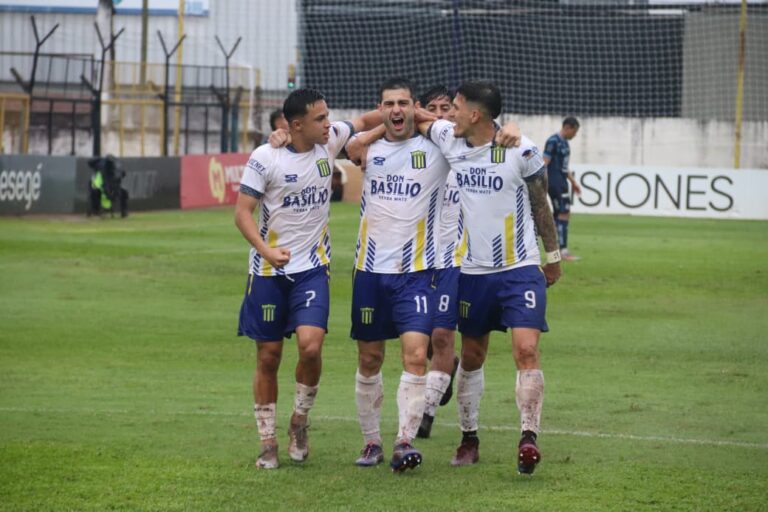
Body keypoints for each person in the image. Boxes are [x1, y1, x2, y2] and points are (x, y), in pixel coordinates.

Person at [419, 81, 561, 475]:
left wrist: (551, 258)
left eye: (457, 107)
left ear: (475, 115)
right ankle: (469, 438)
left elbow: (541, 205)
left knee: (526, 350)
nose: (449, 114)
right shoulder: (450, 138)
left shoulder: (522, 151)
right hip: (473, 272)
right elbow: (414, 116)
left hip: (519, 269)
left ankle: (528, 438)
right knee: (474, 356)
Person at [235, 88, 381, 470]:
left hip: (312, 269)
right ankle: (267, 440)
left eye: (328, 116)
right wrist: (266, 251)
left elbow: (365, 122)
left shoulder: (328, 143)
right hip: (268, 271)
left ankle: (300, 419)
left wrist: (408, 112)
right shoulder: (264, 158)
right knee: (268, 356)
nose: (328, 123)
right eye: (319, 118)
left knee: (311, 347)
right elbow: (243, 214)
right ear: (295, 125)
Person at [349, 78, 451, 472]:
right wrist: (381, 125)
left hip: (416, 274)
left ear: (415, 107)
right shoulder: (367, 149)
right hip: (370, 273)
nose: (396, 109)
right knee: (370, 358)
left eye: (403, 103)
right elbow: (349, 143)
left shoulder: (436, 149)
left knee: (414, 357)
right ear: (380, 107)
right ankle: (371, 441)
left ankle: (403, 441)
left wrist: (418, 118)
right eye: (389, 104)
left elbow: (461, 134)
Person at [415, 85, 461, 440]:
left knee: (443, 335)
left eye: (447, 107)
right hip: (415, 258)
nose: (440, 114)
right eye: (432, 108)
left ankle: (425, 415)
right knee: (422, 341)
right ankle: (445, 372)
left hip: (456, 258)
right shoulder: (410, 148)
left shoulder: (468, 147)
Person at [544, 117, 581, 261]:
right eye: (575, 132)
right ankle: (562, 251)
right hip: (554, 183)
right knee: (564, 213)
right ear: (568, 128)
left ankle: (554, 250)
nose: (575, 135)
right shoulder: (553, 141)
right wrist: (542, 183)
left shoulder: (565, 143)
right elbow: (544, 162)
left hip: (562, 182)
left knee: (558, 215)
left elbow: (564, 168)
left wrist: (574, 183)